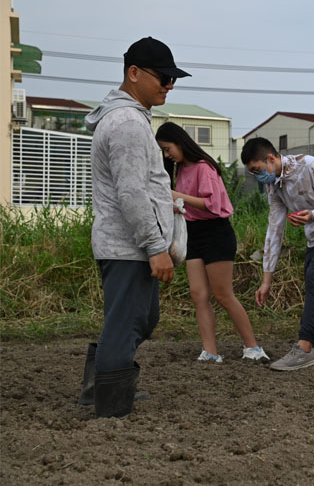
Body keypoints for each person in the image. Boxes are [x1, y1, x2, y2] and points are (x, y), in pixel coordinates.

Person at [81, 37, 190, 418]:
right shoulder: (127, 123)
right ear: (134, 73)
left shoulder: (130, 117)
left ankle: (102, 385)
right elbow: (131, 193)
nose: (169, 85)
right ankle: (109, 404)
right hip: (129, 246)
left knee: (138, 319)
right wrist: (154, 247)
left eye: (173, 79)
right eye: (163, 77)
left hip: (127, 245)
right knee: (127, 322)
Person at [154, 122, 269, 363]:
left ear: (179, 142)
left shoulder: (203, 167)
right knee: (198, 294)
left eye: (168, 149)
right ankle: (210, 351)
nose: (167, 155)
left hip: (216, 232)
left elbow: (212, 204)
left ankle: (253, 348)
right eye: (163, 151)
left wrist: (177, 196)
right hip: (192, 232)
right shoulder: (181, 169)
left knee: (223, 294)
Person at [241, 138, 314, 370]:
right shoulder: (274, 186)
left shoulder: (311, 166)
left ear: (271, 158)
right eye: (253, 173)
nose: (258, 176)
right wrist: (266, 281)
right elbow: (274, 231)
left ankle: (304, 346)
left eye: (258, 170)